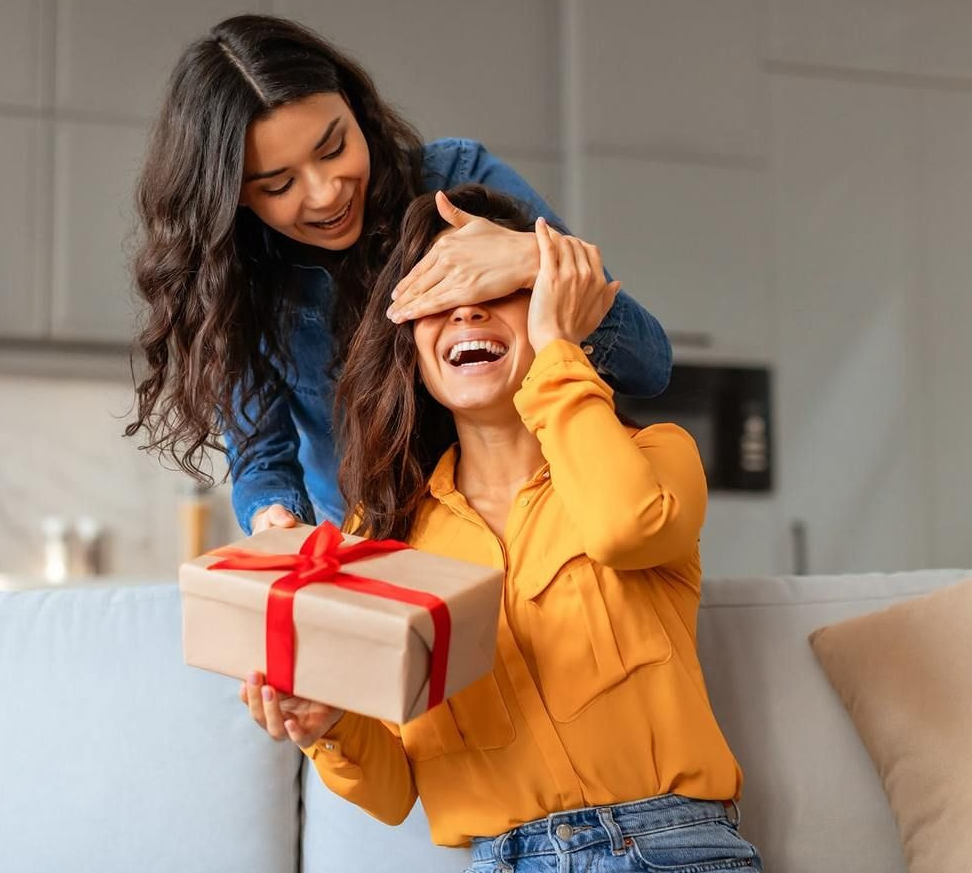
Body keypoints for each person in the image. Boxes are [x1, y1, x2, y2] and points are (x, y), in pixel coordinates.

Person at [239, 186, 763, 872]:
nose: (467, 308)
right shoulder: (382, 537)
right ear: (410, 347)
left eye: (497, 286)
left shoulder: (657, 456)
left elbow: (624, 530)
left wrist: (557, 346)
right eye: (438, 292)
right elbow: (394, 791)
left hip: (670, 847)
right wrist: (328, 724)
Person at [126, 15, 672, 534]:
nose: (326, 193)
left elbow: (648, 367)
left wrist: (535, 258)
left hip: (535, 528)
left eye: (334, 148)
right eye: (278, 185)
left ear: (354, 107)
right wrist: (276, 519)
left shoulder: (456, 180)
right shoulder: (236, 276)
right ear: (234, 198)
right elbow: (262, 460)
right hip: (378, 546)